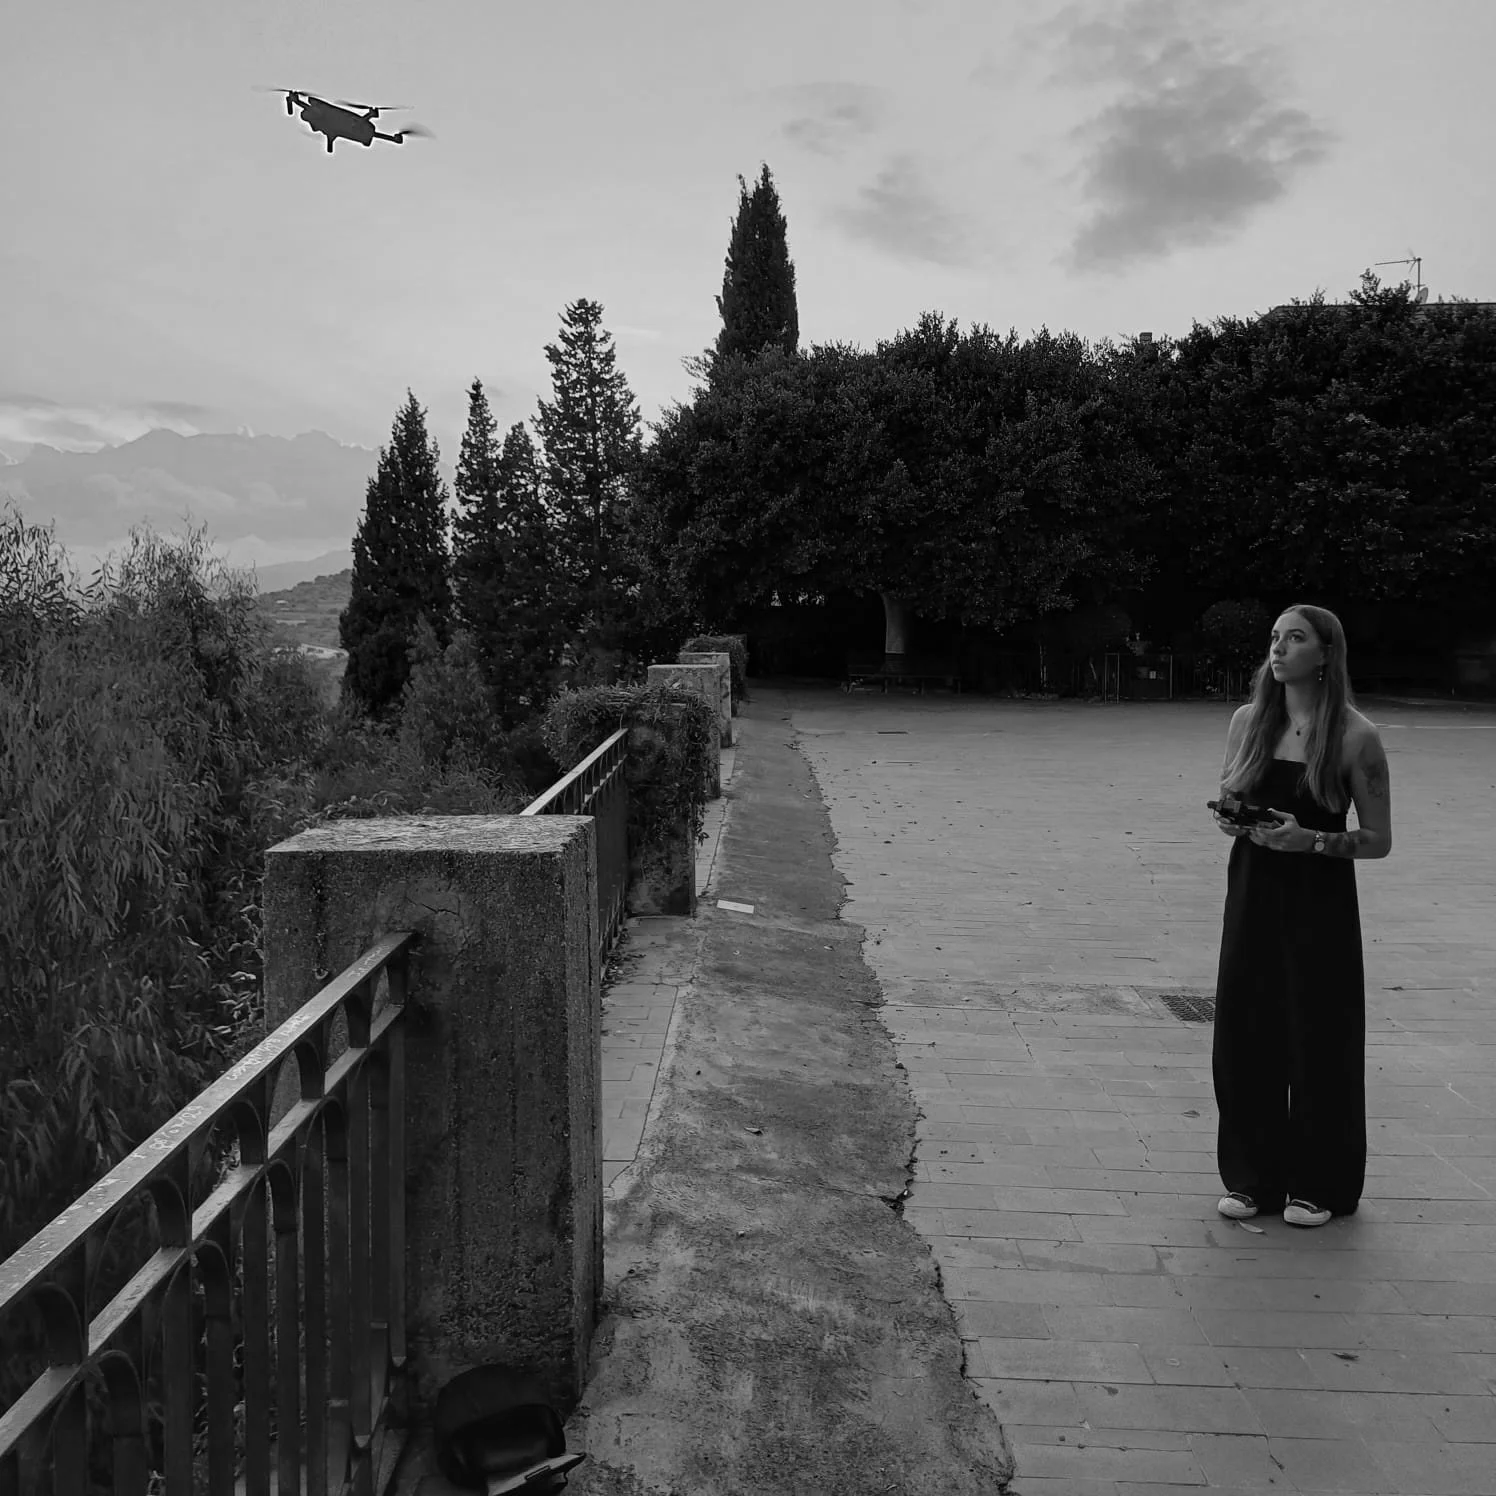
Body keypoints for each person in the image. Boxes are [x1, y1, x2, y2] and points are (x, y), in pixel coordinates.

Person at [1210, 604, 1393, 1227]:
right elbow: (1234, 795)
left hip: (1319, 900)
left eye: (1295, 639)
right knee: (1245, 1026)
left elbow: (1378, 839)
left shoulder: (1354, 735)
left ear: (1325, 654)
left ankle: (1318, 1183)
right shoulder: (1247, 722)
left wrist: (1310, 840)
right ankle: (1250, 1177)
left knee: (1320, 1035)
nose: (1279, 649)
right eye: (1274, 638)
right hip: (1253, 889)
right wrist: (1233, 816)